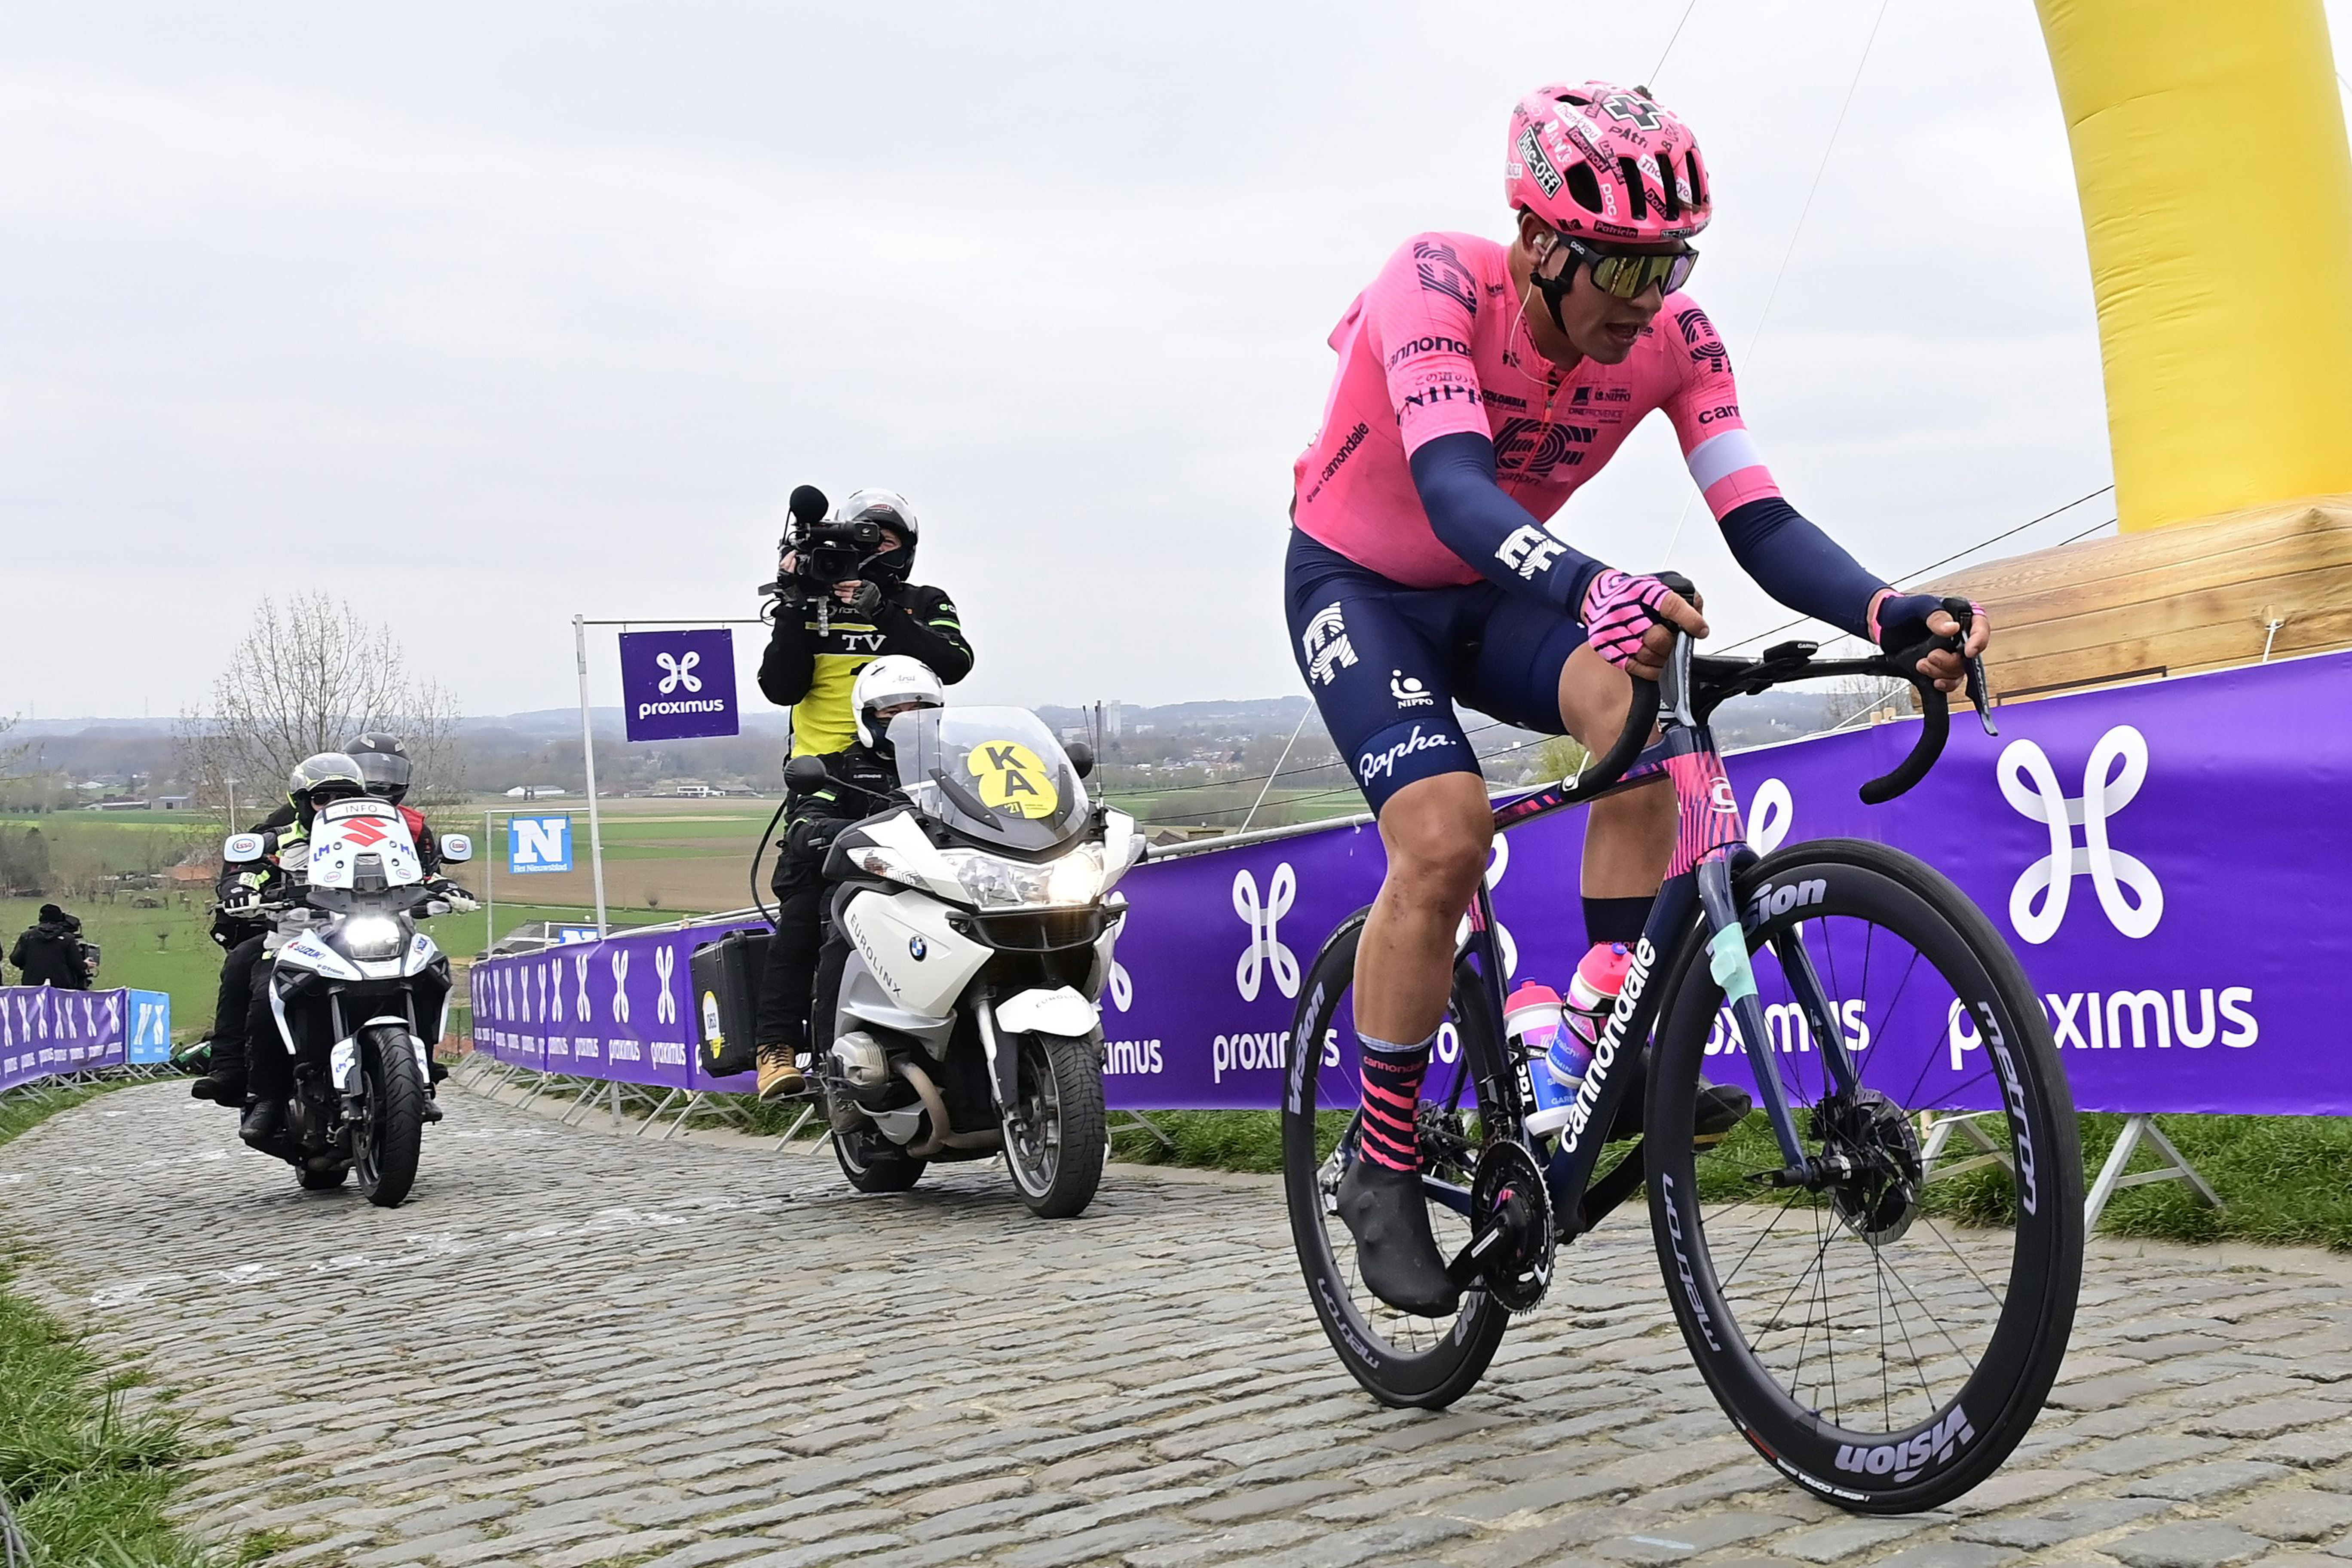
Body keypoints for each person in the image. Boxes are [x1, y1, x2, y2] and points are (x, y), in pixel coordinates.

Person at [1285, 81, 1991, 1316]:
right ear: (1546, 244)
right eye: (1626, 271)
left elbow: (1756, 515)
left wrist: (1889, 611)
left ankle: (1596, 1033)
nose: (1649, 300)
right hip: (1362, 583)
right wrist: (1590, 580)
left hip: (1494, 591)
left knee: (1642, 706)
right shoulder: (1437, 285)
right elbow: (1453, 488)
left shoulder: (1678, 335)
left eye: (1670, 267)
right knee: (1444, 837)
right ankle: (1383, 1163)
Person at [752, 490, 974, 1098]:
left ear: (907, 549)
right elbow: (780, 685)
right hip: (824, 780)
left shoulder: (925, 603)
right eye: (862, 540)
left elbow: (954, 664)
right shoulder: (811, 600)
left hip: (917, 769)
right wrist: (795, 604)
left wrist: (888, 617)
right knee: (807, 911)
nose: (872, 552)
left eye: (886, 540)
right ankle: (777, 1049)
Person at [190, 735, 442, 1106]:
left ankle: (420, 1065)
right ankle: (259, 1092)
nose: (333, 807)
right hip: (299, 936)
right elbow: (246, 868)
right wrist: (240, 889)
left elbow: (422, 871)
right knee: (262, 993)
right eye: (323, 799)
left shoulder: (389, 834)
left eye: (345, 798)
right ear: (303, 802)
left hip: (372, 928)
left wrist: (444, 886)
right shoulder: (280, 837)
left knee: (432, 972)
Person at [779, 657, 944, 1088]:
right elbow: (806, 819)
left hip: (954, 887)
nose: (906, 720)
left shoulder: (964, 766)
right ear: (868, 716)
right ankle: (836, 1070)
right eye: (892, 711)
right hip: (877, 887)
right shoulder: (841, 767)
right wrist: (828, 831)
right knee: (842, 938)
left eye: (918, 709)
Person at [9, 903, 91, 989]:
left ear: (41, 917)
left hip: (32, 986)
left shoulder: (27, 936)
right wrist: (86, 965)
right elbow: (77, 965)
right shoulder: (68, 939)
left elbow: (15, 960)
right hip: (62, 987)